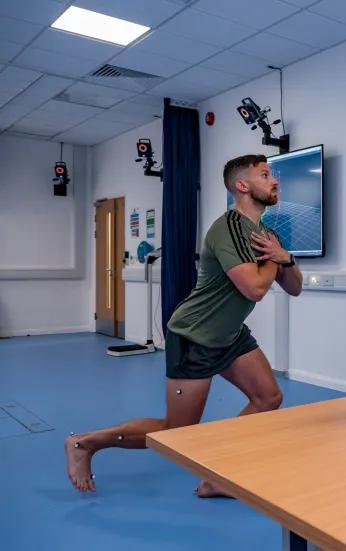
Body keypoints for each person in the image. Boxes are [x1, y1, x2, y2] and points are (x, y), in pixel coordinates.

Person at [65, 154, 303, 497]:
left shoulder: (267, 233)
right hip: (195, 335)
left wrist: (287, 259)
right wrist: (274, 259)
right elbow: (254, 288)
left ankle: (217, 476)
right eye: (265, 175)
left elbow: (294, 287)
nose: (274, 181)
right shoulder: (230, 227)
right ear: (242, 185)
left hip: (231, 335)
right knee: (175, 431)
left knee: (268, 397)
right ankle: (84, 443)